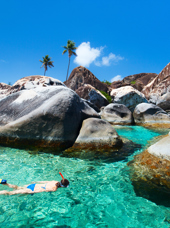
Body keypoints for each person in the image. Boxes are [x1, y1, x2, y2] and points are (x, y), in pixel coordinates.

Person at [0, 172, 69, 195]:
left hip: (34, 185)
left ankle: (5, 183)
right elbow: (41, 190)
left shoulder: (55, 181)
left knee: (18, 187)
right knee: (10, 193)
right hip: (33, 189)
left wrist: (35, 182)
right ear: (63, 186)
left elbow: (44, 182)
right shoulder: (54, 189)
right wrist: (31, 192)